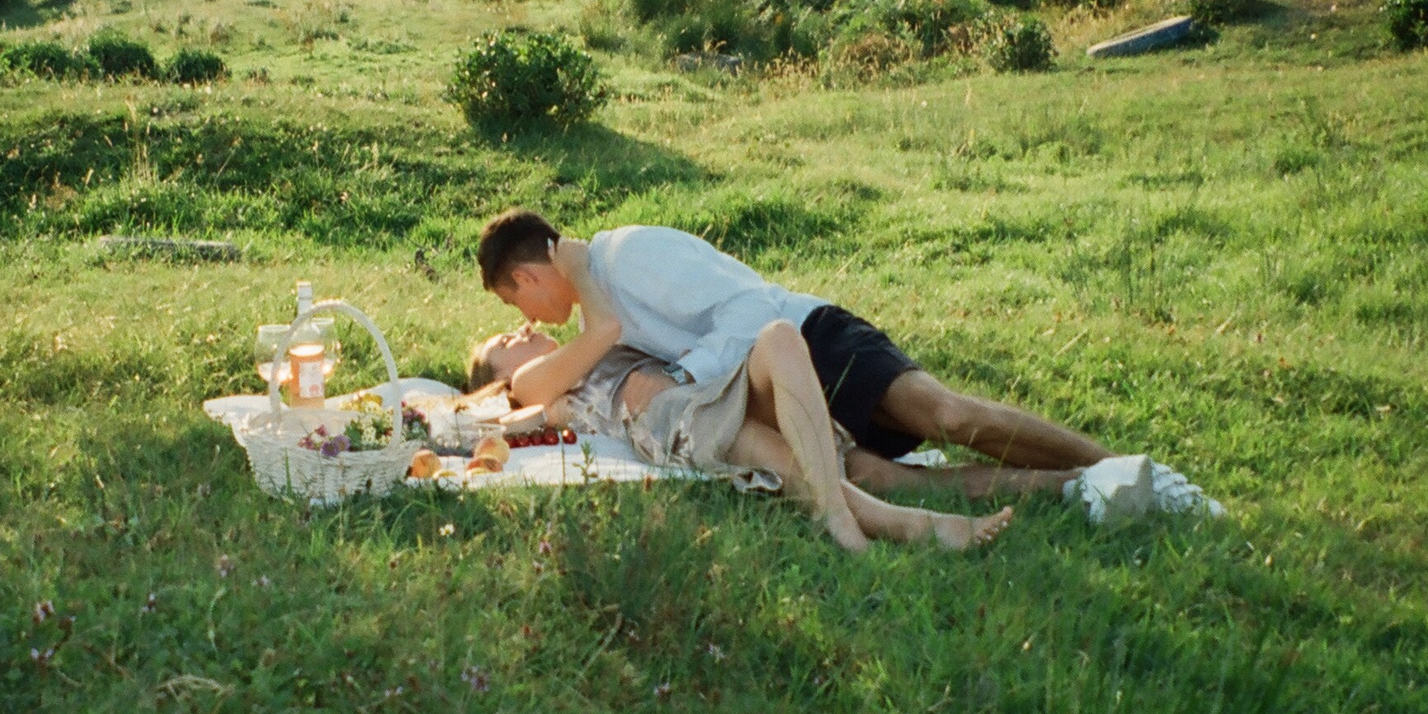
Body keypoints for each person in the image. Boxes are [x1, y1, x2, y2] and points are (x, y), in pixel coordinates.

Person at [473, 208, 1184, 519]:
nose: (530, 322)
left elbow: (751, 307)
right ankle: (1084, 486)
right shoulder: (602, 314)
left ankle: (1120, 462)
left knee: (947, 415)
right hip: (771, 381)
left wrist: (692, 378)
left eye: (518, 305)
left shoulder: (629, 256)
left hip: (810, 337)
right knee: (892, 479)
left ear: (527, 278)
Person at [466, 323, 1013, 553]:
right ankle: (903, 526)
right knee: (787, 458)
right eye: (504, 341)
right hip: (669, 421)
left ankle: (1065, 481)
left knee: (778, 337)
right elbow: (499, 424)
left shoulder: (593, 347)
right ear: (499, 375)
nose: (521, 330)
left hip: (711, 394)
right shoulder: (532, 385)